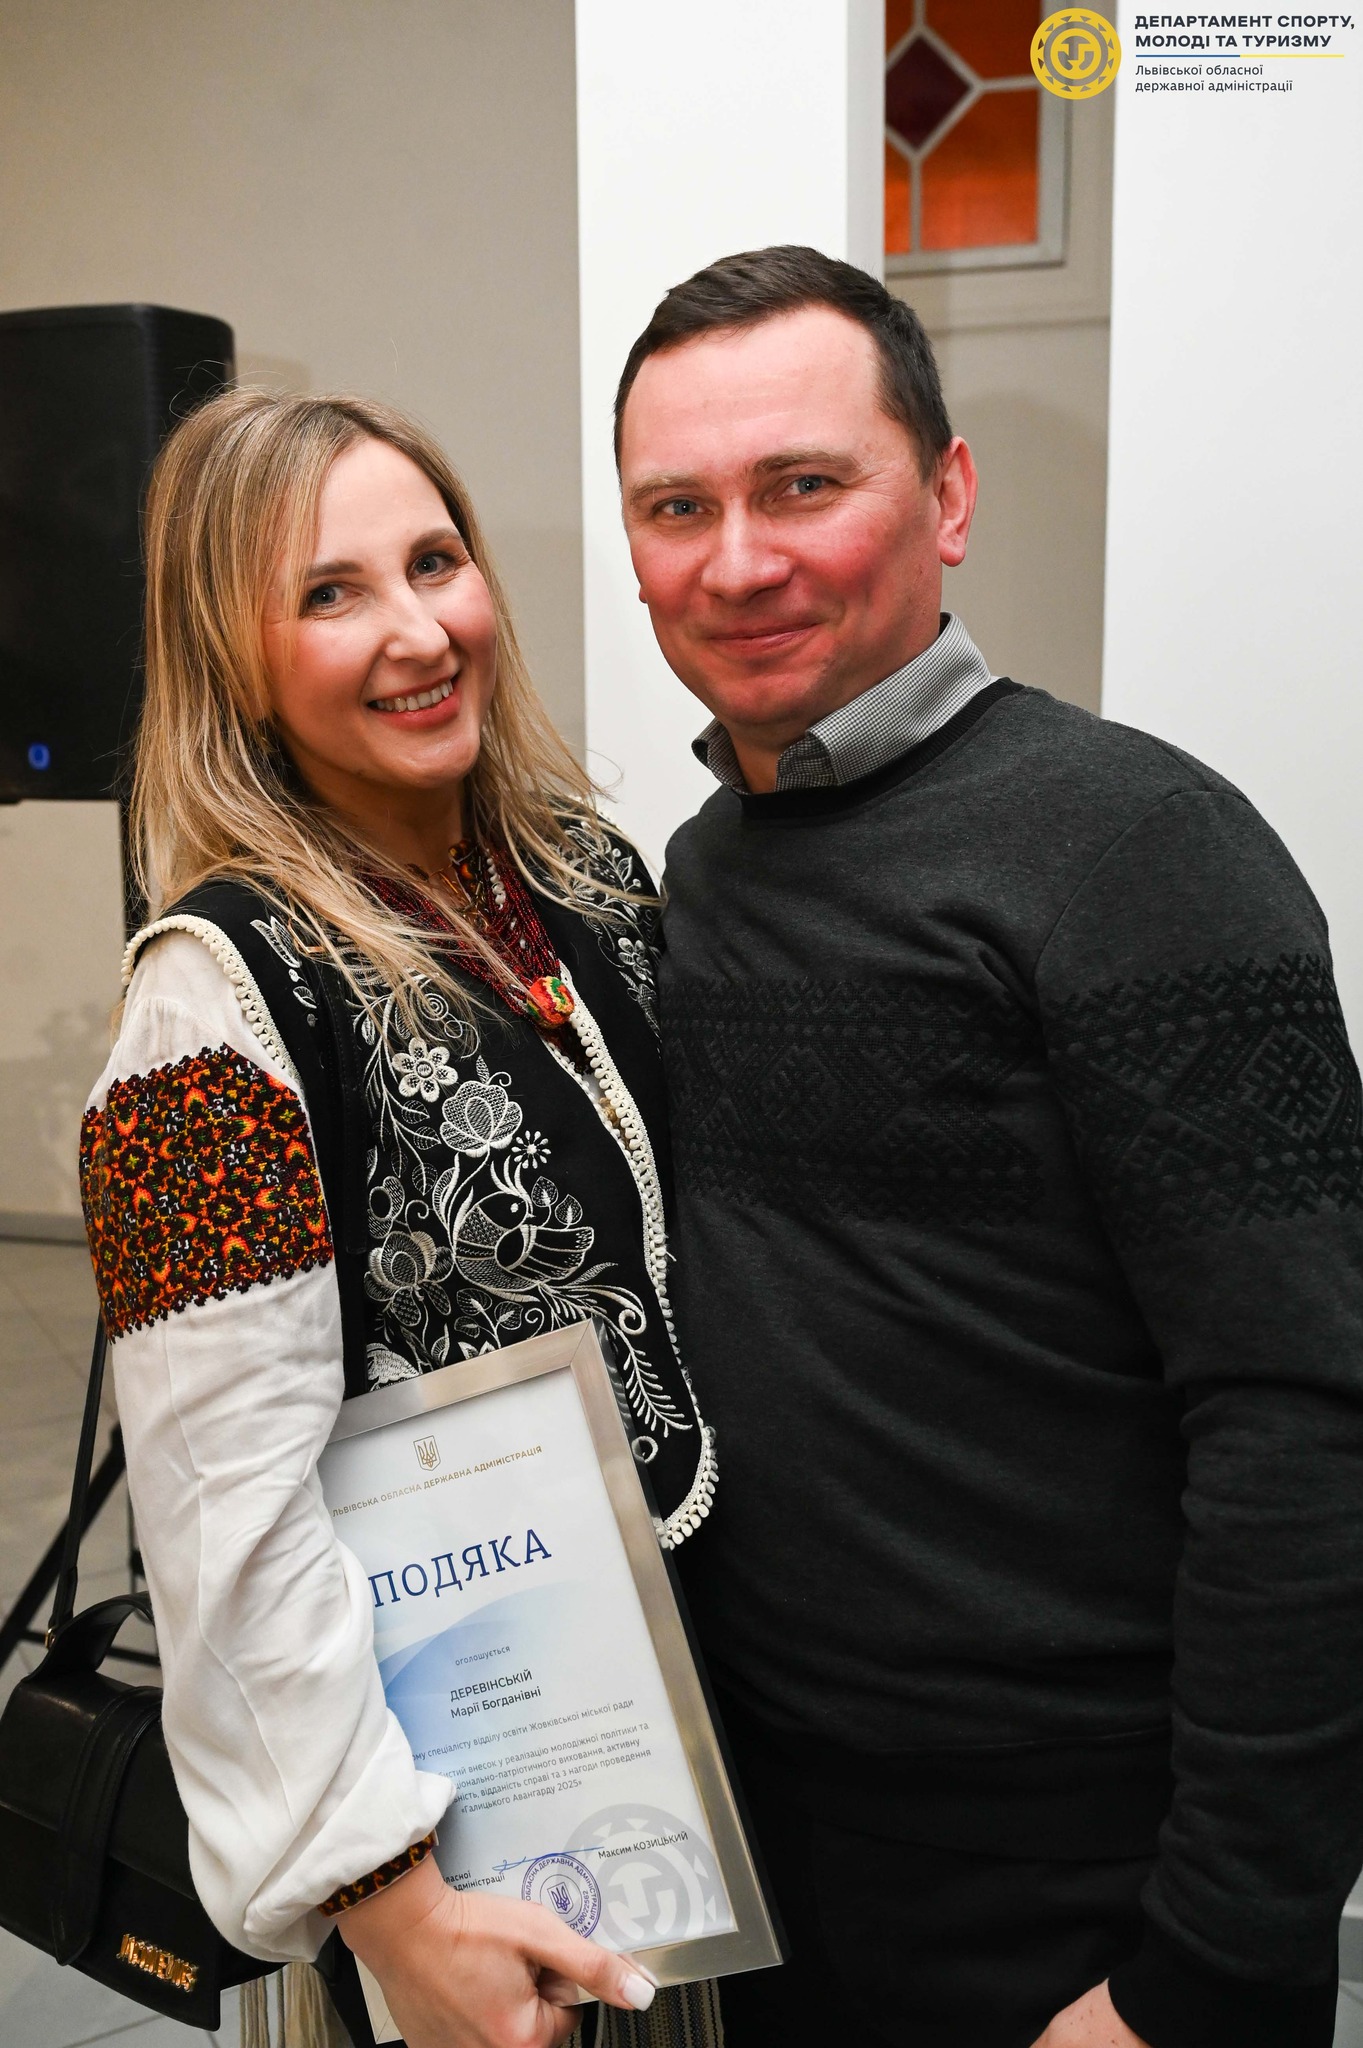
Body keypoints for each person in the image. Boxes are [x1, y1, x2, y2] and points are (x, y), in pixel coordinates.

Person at [614, 245, 1363, 2048]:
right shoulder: (702, 868)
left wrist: (1205, 1964)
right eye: (678, 506)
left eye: (805, 484)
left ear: (948, 497)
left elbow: (1306, 1417)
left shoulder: (1140, 848)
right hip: (779, 1829)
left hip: (1073, 1872)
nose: (739, 561)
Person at [78, 389, 722, 2048]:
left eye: (436, 561)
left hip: (678, 1762)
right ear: (235, 663)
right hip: (451, 1832)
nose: (420, 632)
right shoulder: (205, 1012)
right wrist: (390, 1898)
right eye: (330, 593)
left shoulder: (587, 877)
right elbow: (223, 1520)